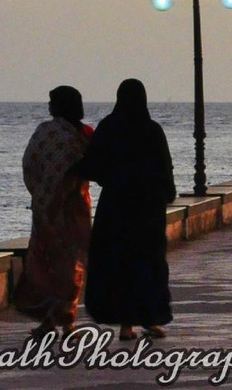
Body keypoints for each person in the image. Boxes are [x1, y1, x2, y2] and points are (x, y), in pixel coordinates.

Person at [78, 78, 176, 340]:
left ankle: (126, 325)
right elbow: (165, 167)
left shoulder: (109, 127)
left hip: (116, 207)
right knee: (148, 263)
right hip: (147, 209)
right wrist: (167, 192)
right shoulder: (152, 130)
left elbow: (94, 164)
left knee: (118, 263)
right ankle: (149, 319)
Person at [15, 86, 94, 338]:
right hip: (62, 209)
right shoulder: (70, 134)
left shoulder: (54, 133)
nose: (49, 106)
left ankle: (60, 321)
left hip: (59, 210)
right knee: (60, 266)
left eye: (52, 102)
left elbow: (30, 165)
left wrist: (42, 193)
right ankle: (55, 321)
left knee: (64, 266)